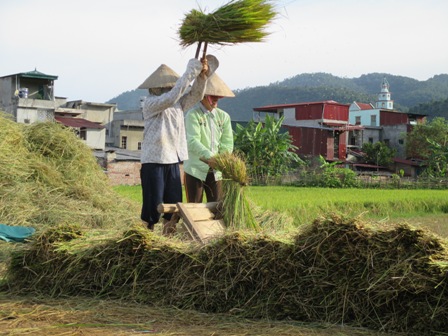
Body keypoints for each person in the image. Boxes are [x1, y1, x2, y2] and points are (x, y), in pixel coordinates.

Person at [138, 55, 218, 234]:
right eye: (166, 87)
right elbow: (173, 96)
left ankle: (168, 238)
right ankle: (145, 238)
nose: (169, 89)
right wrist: (191, 70)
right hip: (154, 160)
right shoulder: (151, 103)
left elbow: (196, 94)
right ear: (156, 88)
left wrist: (202, 76)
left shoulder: (178, 105)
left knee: (173, 206)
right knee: (152, 206)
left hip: (173, 160)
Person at [183, 73, 235, 204]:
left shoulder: (224, 117)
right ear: (204, 97)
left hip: (216, 170)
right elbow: (192, 140)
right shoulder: (193, 115)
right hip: (195, 169)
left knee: (217, 207)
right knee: (194, 209)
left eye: (218, 97)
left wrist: (220, 159)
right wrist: (210, 156)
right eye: (213, 97)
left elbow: (227, 143)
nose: (216, 100)